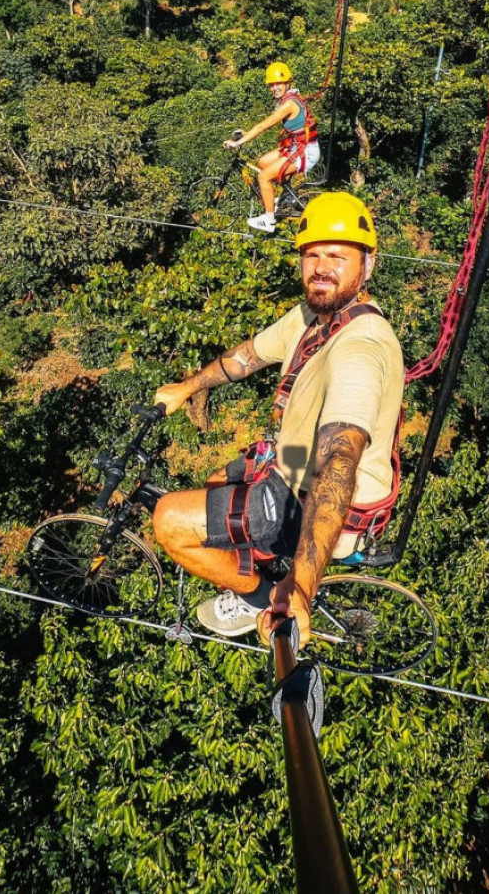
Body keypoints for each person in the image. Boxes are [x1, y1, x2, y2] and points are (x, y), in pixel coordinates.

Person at [152, 192, 404, 646]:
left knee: (168, 518)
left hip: (317, 500)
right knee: (215, 482)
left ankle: (257, 597)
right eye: (312, 255)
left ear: (368, 264)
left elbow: (340, 461)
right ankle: (261, 561)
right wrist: (187, 387)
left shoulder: (359, 348)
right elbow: (247, 357)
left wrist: (301, 588)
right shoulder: (315, 315)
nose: (321, 267)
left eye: (336, 256)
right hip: (293, 462)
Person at [223, 61, 320, 235]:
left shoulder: (289, 104)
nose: (274, 87)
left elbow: (262, 127)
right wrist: (245, 134)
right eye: (272, 84)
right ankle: (285, 196)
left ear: (288, 82)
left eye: (278, 83)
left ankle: (269, 219)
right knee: (263, 162)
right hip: (297, 147)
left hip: (305, 152)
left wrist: (238, 142)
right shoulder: (289, 99)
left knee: (263, 177)